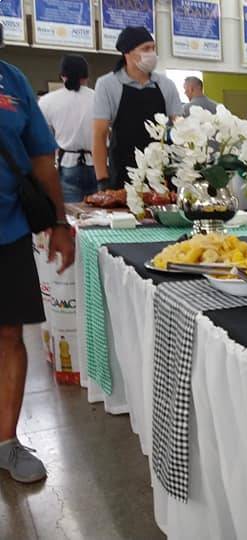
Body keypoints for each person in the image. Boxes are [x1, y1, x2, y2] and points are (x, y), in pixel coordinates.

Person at [0, 56, 75, 484]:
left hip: (8, 230)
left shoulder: (12, 81)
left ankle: (6, 441)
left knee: (9, 335)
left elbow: (42, 158)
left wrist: (59, 224)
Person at [92, 26, 181, 190]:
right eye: (145, 49)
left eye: (153, 48)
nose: (151, 53)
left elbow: (180, 128)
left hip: (161, 175)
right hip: (123, 173)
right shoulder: (107, 84)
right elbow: (99, 134)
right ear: (127, 53)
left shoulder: (166, 85)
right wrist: (102, 179)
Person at [39, 55, 96, 202]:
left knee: (72, 212)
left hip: (67, 163)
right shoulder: (100, 98)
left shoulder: (47, 101)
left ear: (62, 75)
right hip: (97, 164)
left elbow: (43, 140)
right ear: (86, 76)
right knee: (99, 211)